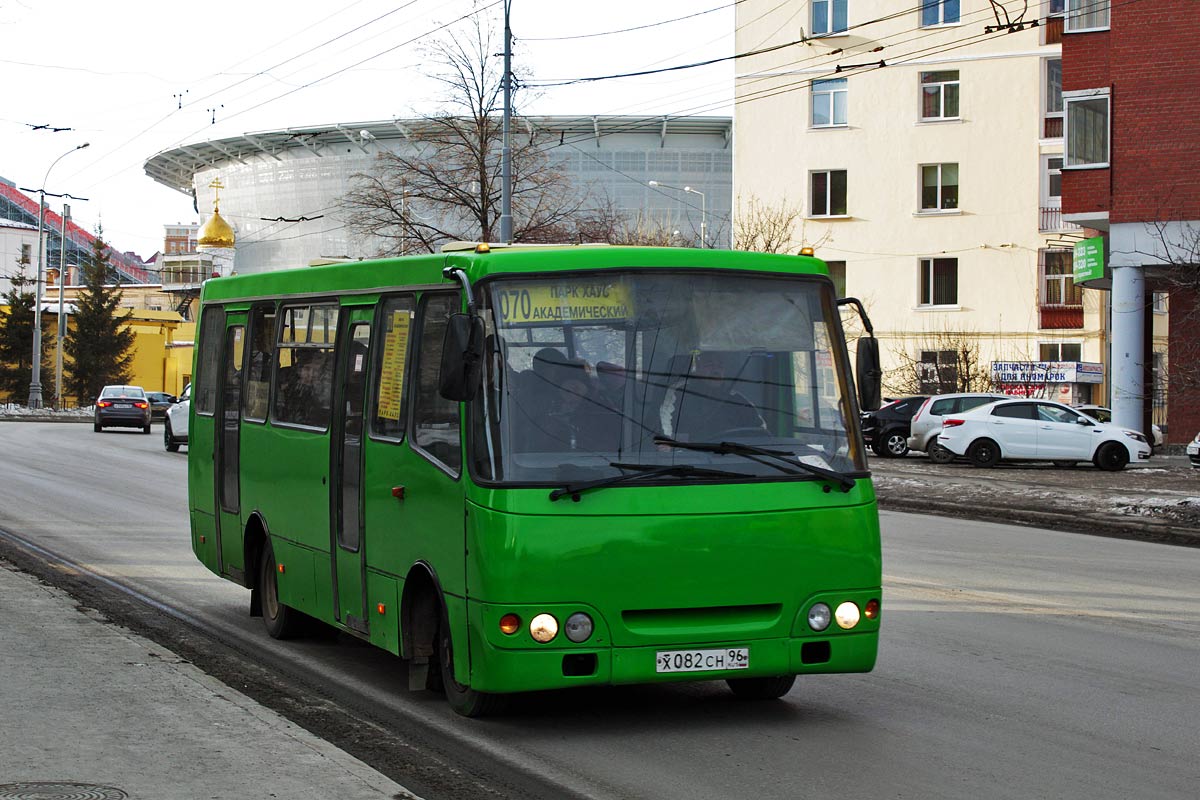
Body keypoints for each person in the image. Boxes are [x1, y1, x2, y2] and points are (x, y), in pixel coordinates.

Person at [661, 350, 766, 442]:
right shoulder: (679, 392)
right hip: (690, 460)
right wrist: (668, 444)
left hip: (733, 460)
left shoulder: (737, 399)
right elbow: (664, 429)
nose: (716, 370)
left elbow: (761, 432)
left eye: (720, 366)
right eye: (709, 364)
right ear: (696, 369)